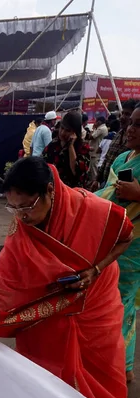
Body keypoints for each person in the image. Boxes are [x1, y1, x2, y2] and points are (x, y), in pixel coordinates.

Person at [0, 157, 134, 398]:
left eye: (28, 206)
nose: (21, 216)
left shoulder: (90, 208)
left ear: (49, 191)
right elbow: (2, 296)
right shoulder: (20, 237)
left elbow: (125, 236)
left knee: (104, 381)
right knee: (48, 390)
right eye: (14, 208)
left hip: (96, 308)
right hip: (50, 322)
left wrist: (96, 269)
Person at [95, 103, 140, 383]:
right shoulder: (124, 156)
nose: (131, 128)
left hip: (134, 247)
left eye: (139, 125)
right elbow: (106, 193)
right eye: (131, 123)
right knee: (118, 303)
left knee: (121, 302)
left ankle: (119, 367)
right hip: (111, 238)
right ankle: (123, 365)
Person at [93, 99, 137, 191]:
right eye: (122, 113)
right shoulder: (118, 135)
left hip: (120, 189)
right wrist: (97, 179)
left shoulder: (135, 144)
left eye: (127, 114)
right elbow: (107, 158)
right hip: (105, 183)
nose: (122, 117)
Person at [44, 111, 90, 188]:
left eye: (68, 130)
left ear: (75, 132)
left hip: (72, 192)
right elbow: (44, 164)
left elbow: (76, 172)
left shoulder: (82, 147)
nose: (62, 133)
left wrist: (70, 146)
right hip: (53, 190)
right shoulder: (53, 144)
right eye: (62, 128)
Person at [89, 116, 108, 181]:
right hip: (97, 151)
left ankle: (95, 185)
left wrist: (93, 128)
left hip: (95, 152)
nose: (95, 123)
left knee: (94, 171)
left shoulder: (101, 129)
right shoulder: (103, 128)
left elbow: (91, 137)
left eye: (96, 121)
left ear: (99, 122)